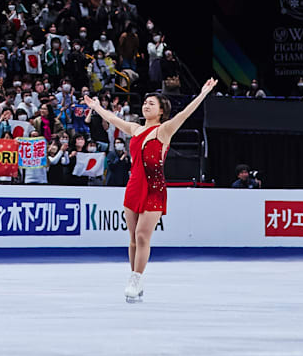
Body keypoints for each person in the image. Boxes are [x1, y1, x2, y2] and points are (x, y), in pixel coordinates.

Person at [83, 76, 217, 303]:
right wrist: (96, 107)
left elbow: (184, 114)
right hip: (133, 185)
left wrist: (203, 94)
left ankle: (137, 278)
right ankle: (135, 278)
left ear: (161, 110)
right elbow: (113, 119)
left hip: (154, 188)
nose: (146, 105)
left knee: (143, 235)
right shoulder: (134, 128)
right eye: (145, 103)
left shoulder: (165, 130)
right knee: (133, 239)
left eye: (151, 104)